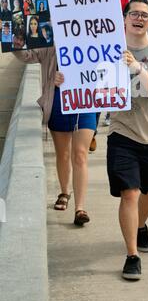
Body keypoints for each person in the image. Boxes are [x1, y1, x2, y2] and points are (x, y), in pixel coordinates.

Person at [107, 0, 148, 280]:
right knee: (130, 193)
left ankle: (141, 225)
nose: (138, 18)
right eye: (133, 13)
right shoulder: (108, 50)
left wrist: (136, 67)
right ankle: (131, 256)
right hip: (122, 133)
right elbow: (87, 82)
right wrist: (64, 79)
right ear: (124, 18)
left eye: (144, 15)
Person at [13, 46, 96, 226]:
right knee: (63, 154)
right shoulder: (49, 44)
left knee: (80, 154)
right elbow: (28, 56)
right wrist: (14, 43)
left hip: (86, 102)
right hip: (58, 103)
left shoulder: (91, 39)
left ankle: (80, 208)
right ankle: (65, 192)